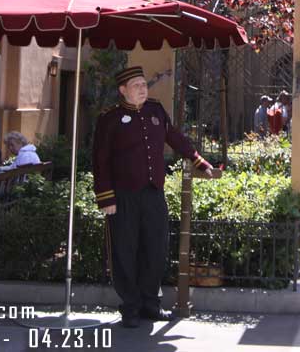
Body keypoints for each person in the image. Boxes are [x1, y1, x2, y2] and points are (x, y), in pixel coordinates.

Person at [93, 66, 220, 326]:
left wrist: (200, 162)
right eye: (136, 85)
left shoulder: (155, 111)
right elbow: (100, 160)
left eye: (143, 84)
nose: (142, 89)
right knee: (124, 251)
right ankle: (130, 307)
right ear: (123, 90)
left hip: (153, 193)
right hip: (123, 196)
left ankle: (150, 303)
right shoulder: (110, 118)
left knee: (156, 248)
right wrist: (106, 198)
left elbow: (175, 138)